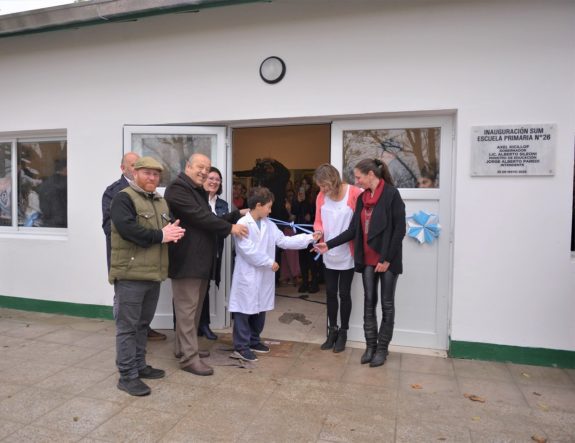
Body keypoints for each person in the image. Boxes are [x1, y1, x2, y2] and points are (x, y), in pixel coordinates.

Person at [314, 158, 405, 367]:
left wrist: (387, 259)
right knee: (369, 304)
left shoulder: (392, 194)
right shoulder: (363, 198)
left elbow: (399, 230)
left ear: (371, 175)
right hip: (367, 261)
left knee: (387, 305)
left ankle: (382, 349)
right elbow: (353, 230)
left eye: (358, 176)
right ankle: (370, 347)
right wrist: (328, 244)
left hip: (388, 261)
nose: (356, 180)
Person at [164, 153, 248, 376]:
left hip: (199, 261)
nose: (203, 171)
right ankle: (188, 359)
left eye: (207, 168)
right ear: (188, 166)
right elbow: (201, 217)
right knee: (187, 310)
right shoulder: (177, 189)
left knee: (194, 311)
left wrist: (235, 215)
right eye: (199, 167)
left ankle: (184, 348)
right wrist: (230, 228)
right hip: (187, 261)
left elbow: (208, 219)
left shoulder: (195, 190)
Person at [108, 156, 185, 396]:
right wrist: (162, 235)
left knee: (142, 325)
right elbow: (128, 230)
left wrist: (173, 232)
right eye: (147, 173)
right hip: (130, 275)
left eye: (156, 174)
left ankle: (140, 366)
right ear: (136, 173)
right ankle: (127, 375)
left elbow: (166, 229)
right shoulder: (123, 198)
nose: (152, 178)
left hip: (153, 274)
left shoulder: (160, 201)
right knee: (128, 327)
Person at [228, 187, 320, 362]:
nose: (270, 211)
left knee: (260, 309)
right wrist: (269, 262)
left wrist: (309, 238)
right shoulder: (243, 224)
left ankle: (254, 340)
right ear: (258, 205)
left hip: (264, 275)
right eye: (268, 207)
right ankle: (241, 346)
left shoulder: (269, 225)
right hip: (248, 274)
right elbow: (247, 250)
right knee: (244, 310)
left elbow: (284, 241)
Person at [102, 152, 167, 341]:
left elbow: (159, 227)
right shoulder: (117, 193)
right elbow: (112, 228)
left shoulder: (154, 197)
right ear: (126, 169)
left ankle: (141, 349)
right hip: (128, 263)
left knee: (140, 320)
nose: (151, 177)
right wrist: (152, 236)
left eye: (155, 174)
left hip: (150, 265)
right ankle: (129, 368)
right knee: (127, 322)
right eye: (134, 166)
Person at [313, 164, 363, 353]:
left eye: (324, 186)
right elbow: (318, 220)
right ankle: (332, 330)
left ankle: (344, 333)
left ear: (333, 180)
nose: (322, 190)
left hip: (347, 253)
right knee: (330, 293)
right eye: (320, 186)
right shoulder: (320, 196)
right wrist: (317, 232)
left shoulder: (354, 193)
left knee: (344, 294)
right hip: (328, 252)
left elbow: (356, 226)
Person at [198, 166, 241, 340]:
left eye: (218, 179)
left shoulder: (223, 205)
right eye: (211, 178)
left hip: (214, 253)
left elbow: (223, 230)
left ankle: (203, 324)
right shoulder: (196, 201)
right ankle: (194, 326)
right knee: (193, 292)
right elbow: (210, 224)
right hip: (196, 253)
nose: (214, 181)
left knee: (205, 289)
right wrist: (232, 217)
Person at [292, 184, 321, 294]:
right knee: (302, 259)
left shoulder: (314, 198)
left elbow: (317, 213)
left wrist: (312, 216)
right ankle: (304, 282)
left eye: (305, 184)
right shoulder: (297, 199)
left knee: (312, 259)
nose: (303, 187)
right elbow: (294, 212)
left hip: (312, 232)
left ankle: (314, 282)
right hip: (300, 231)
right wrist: (299, 201)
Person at [38, 159, 67, 227]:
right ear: (66, 169)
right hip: (61, 225)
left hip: (47, 224)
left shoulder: (46, 183)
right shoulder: (66, 184)